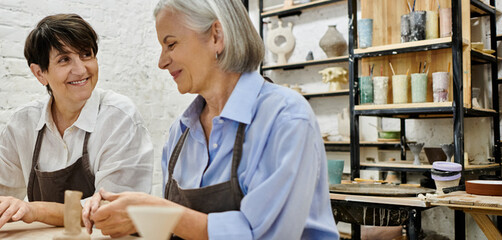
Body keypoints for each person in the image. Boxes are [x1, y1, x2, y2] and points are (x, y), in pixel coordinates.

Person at [82, 0, 339, 239]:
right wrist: (124, 214)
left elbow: (264, 234)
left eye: (171, 44)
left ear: (216, 36)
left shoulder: (285, 118)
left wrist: (155, 211)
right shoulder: (180, 133)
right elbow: (171, 230)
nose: (161, 62)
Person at [0, 14, 154, 231]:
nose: (81, 69)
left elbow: (114, 209)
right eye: (64, 59)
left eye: (86, 54)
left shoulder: (120, 119)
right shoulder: (24, 123)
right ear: (39, 73)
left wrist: (34, 210)